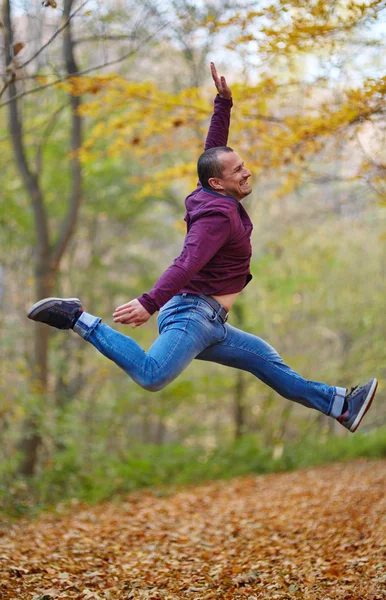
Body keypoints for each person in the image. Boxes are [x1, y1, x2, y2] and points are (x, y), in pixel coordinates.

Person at [28, 63, 378, 433]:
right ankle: (77, 318)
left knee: (267, 363)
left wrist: (223, 104)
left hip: (210, 321)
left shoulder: (207, 189)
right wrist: (149, 302)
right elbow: (187, 263)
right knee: (152, 375)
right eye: (238, 171)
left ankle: (341, 403)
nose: (246, 172)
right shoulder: (216, 217)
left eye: (243, 166)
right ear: (218, 183)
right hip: (193, 315)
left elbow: (214, 151)